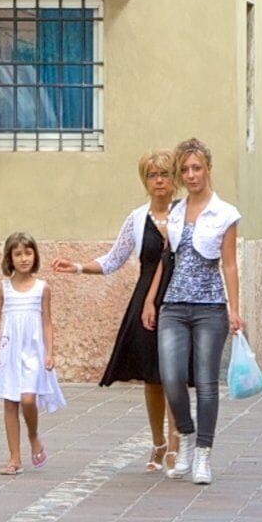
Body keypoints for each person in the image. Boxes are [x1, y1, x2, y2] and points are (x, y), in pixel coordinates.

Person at [79, 152, 182, 473]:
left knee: (175, 375)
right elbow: (113, 259)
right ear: (145, 181)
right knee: (153, 377)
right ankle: (158, 442)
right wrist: (79, 267)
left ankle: (176, 447)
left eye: (165, 173)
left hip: (180, 298)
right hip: (146, 302)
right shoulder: (137, 218)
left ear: (175, 177)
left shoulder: (187, 213)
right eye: (152, 175)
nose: (159, 181)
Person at [157, 138, 243, 485]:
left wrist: (235, 309)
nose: (191, 175)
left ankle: (204, 455)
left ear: (207, 169)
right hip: (174, 306)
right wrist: (153, 300)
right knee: (172, 377)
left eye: (197, 168)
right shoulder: (175, 212)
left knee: (206, 383)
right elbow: (167, 261)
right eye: (185, 170)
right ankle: (188, 436)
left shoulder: (225, 213)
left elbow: (230, 265)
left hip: (210, 308)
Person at [0, 233, 65, 474]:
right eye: (18, 254)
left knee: (28, 398)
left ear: (35, 255)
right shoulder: (3, 288)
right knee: (10, 401)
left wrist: (50, 352)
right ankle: (14, 458)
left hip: (33, 350)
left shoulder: (42, 288)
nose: (23, 259)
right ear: (9, 258)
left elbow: (47, 323)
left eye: (28, 253)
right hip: (10, 350)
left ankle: (33, 435)